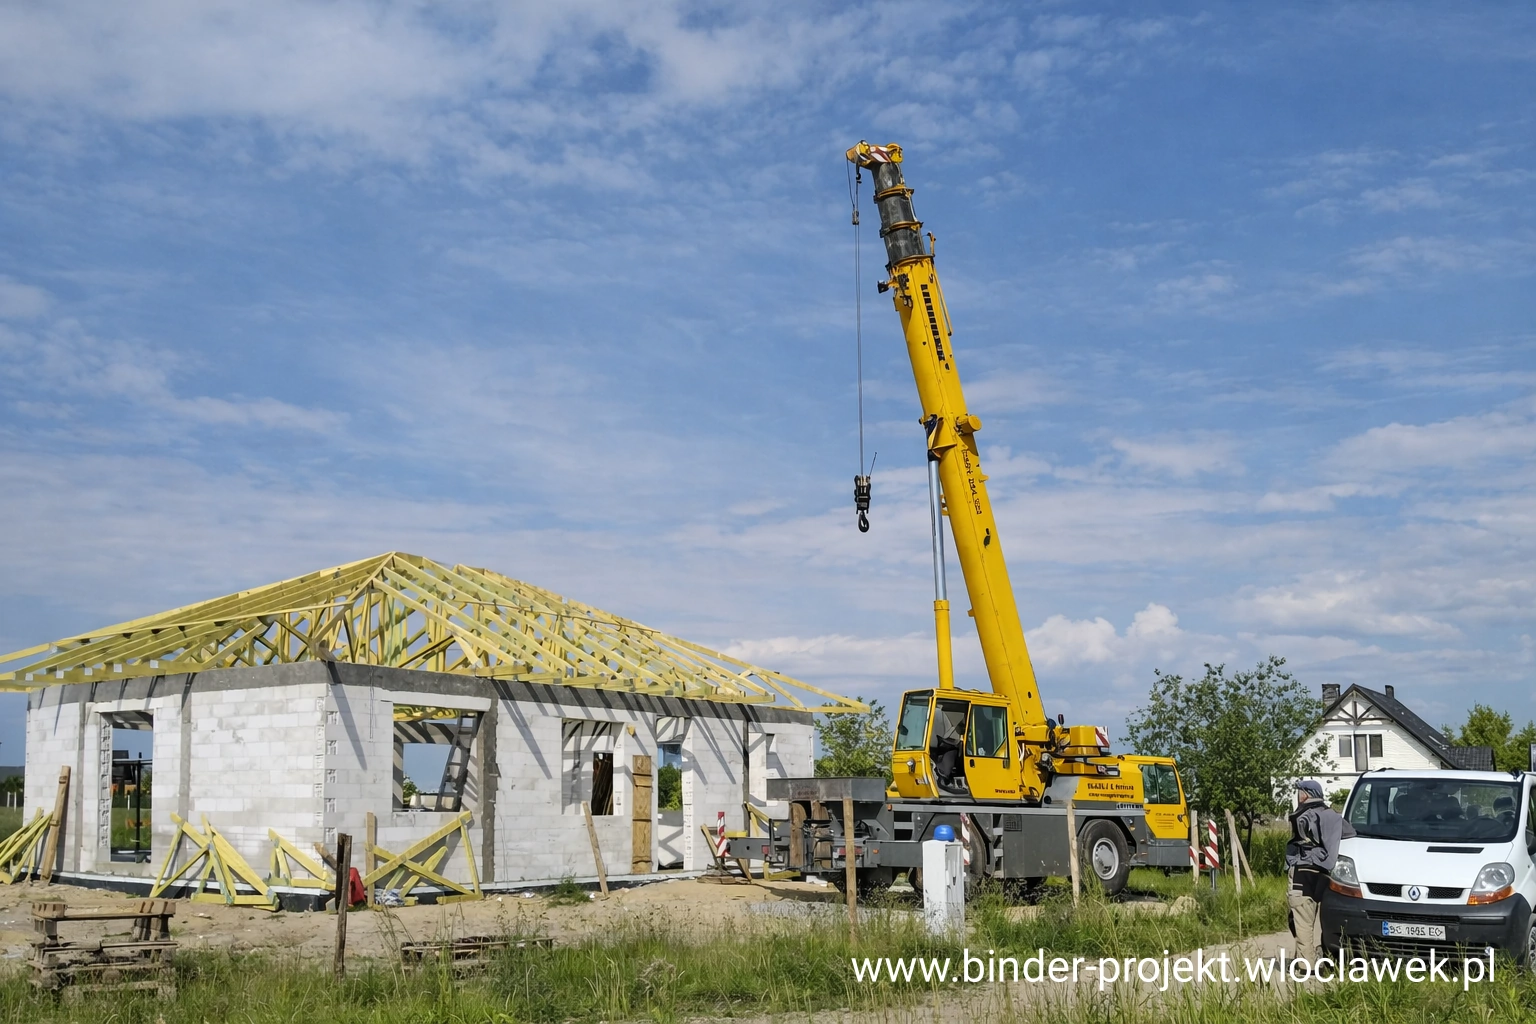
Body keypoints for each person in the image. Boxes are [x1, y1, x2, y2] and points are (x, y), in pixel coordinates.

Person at [1286, 779, 1349, 961]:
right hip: (1325, 874)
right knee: (1326, 918)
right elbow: (1351, 832)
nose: (1298, 796)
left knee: (1302, 921)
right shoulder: (1333, 815)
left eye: (1299, 792)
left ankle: (1307, 964)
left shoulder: (1299, 815)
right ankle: (1326, 957)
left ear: (1306, 794)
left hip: (1301, 872)